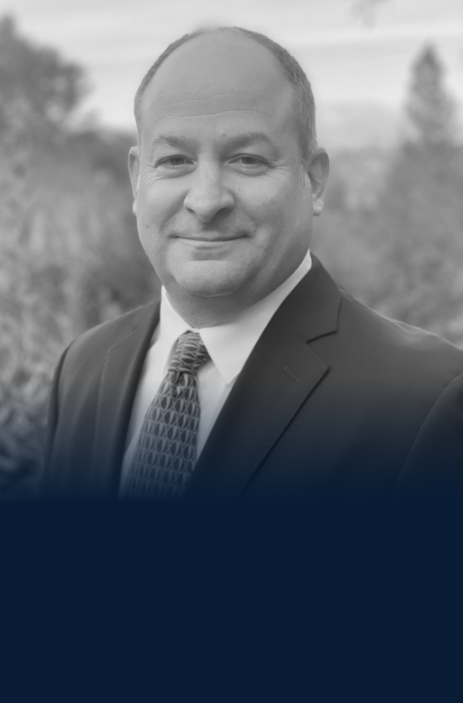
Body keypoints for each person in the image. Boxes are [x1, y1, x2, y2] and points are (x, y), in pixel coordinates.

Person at [45, 26, 463, 499]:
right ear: (136, 180)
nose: (206, 201)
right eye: (175, 160)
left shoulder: (425, 401)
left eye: (247, 160)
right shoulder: (83, 368)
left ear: (315, 181)